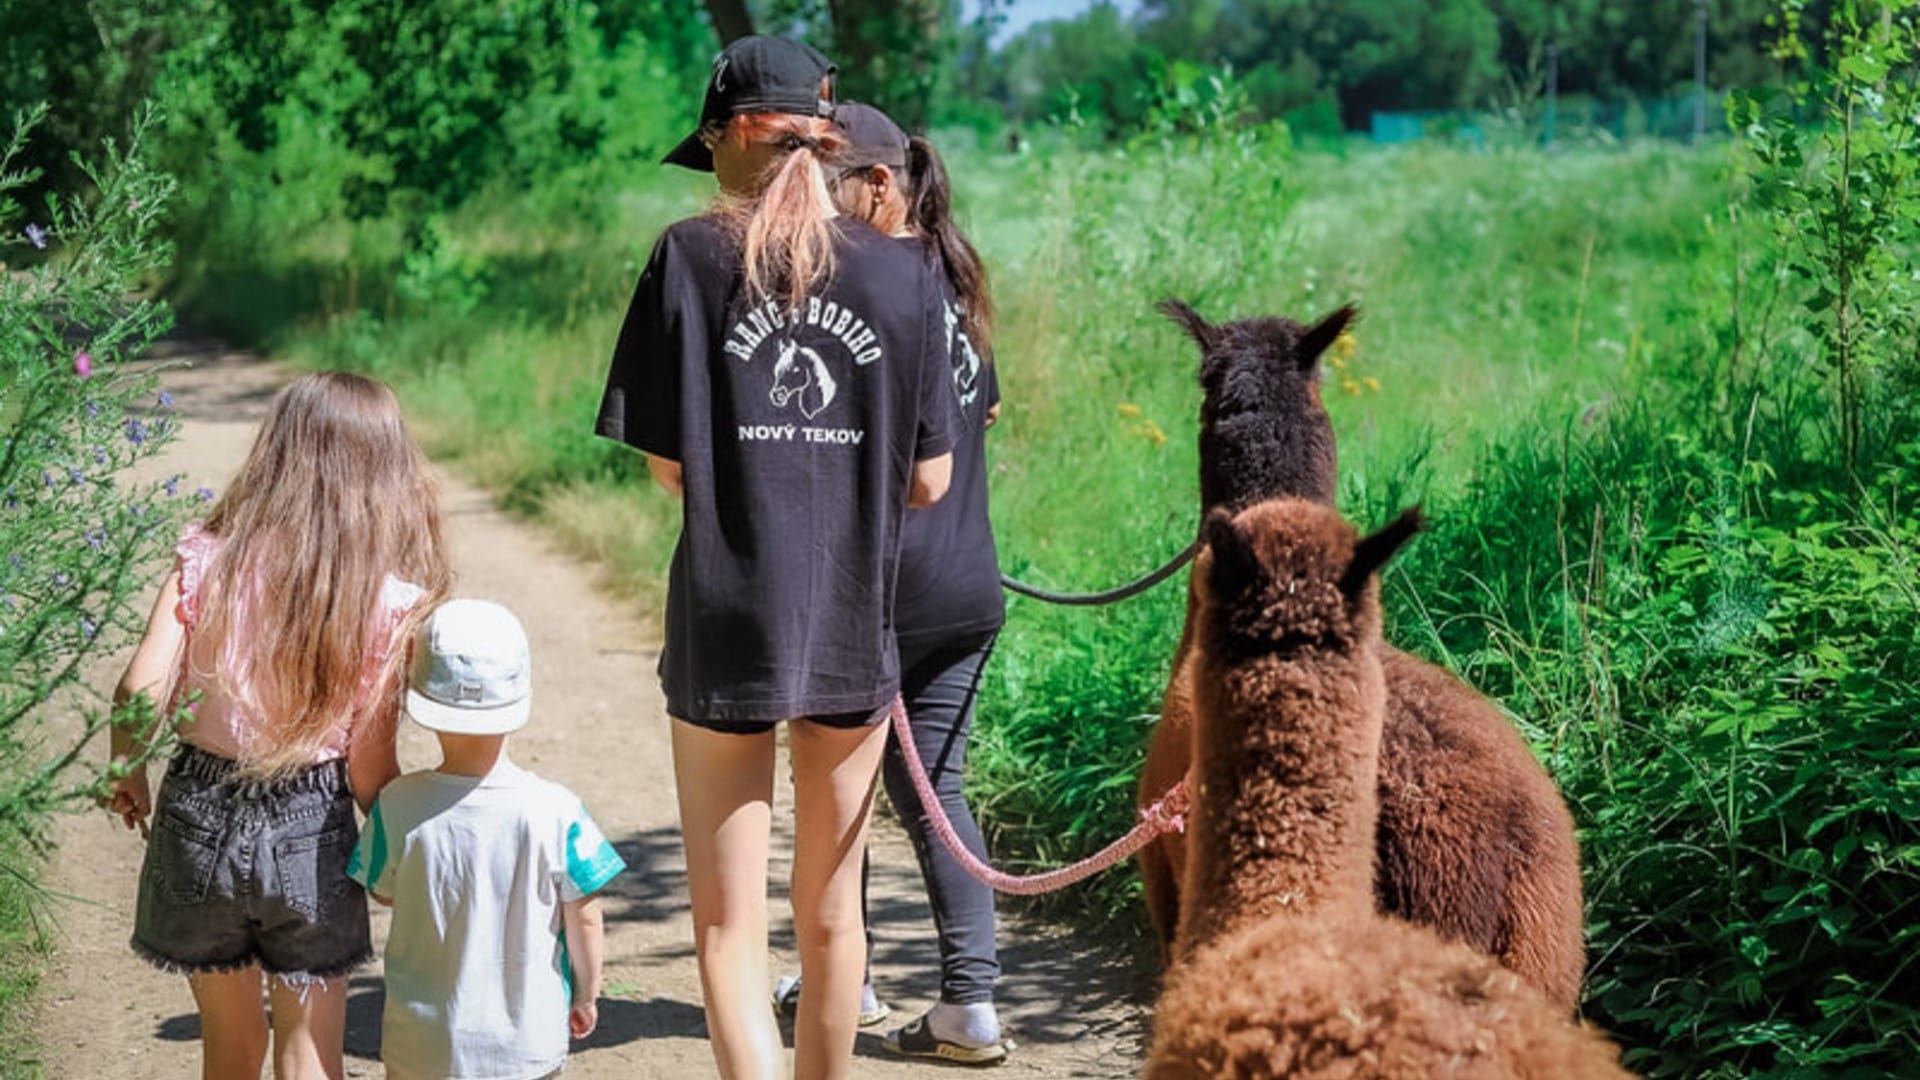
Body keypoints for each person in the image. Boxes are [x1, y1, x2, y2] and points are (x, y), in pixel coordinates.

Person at [594, 35, 957, 1080]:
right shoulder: (904, 274)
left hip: (724, 615)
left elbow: (671, 469)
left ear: (737, 139)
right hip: (850, 618)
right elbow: (928, 481)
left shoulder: (686, 257)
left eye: (706, 143)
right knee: (833, 915)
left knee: (728, 928)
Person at [105, 371, 451, 1080]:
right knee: (309, 1046)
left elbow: (140, 686)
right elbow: (367, 767)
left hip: (196, 815)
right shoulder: (385, 602)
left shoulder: (207, 556)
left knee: (229, 1046)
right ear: (382, 476)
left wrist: (127, 768)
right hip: (312, 827)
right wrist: (399, 850)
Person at [817, 102, 1011, 1065]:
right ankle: (969, 1005)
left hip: (881, 587)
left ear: (877, 187)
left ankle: (844, 982)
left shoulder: (866, 290)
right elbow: (982, 423)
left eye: (822, 184)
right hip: (970, 582)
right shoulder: (956, 282)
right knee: (938, 787)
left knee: (842, 784)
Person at [347, 598, 626, 1080]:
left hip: (422, 1047)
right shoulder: (557, 810)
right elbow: (586, 918)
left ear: (424, 705)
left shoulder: (396, 806)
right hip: (527, 1045)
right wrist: (586, 993)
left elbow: (381, 890)